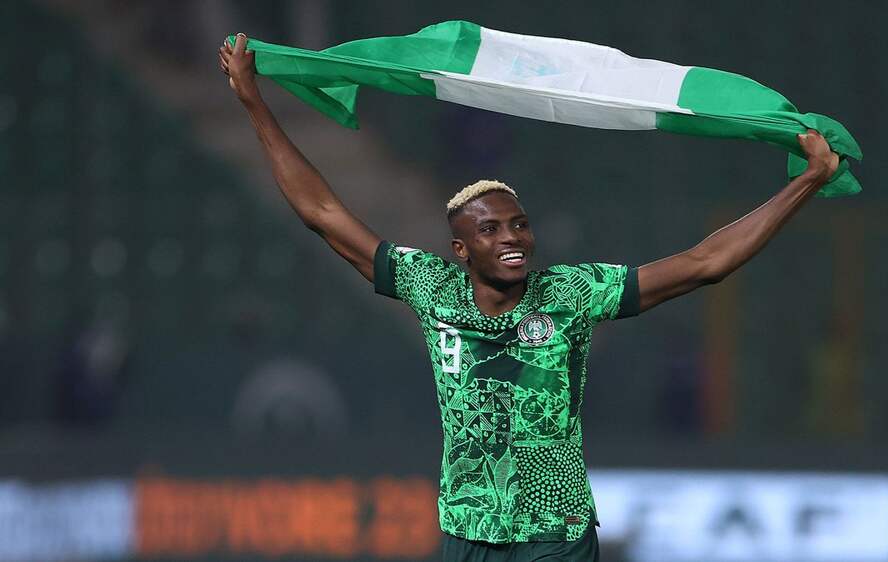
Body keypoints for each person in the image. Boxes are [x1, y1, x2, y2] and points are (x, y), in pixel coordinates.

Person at [219, 33, 841, 562]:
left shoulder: (570, 293)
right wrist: (252, 100)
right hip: (468, 534)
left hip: (555, 536)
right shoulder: (431, 287)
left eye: (519, 225)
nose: (512, 238)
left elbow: (705, 264)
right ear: (461, 250)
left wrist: (808, 181)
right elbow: (323, 212)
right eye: (490, 230)